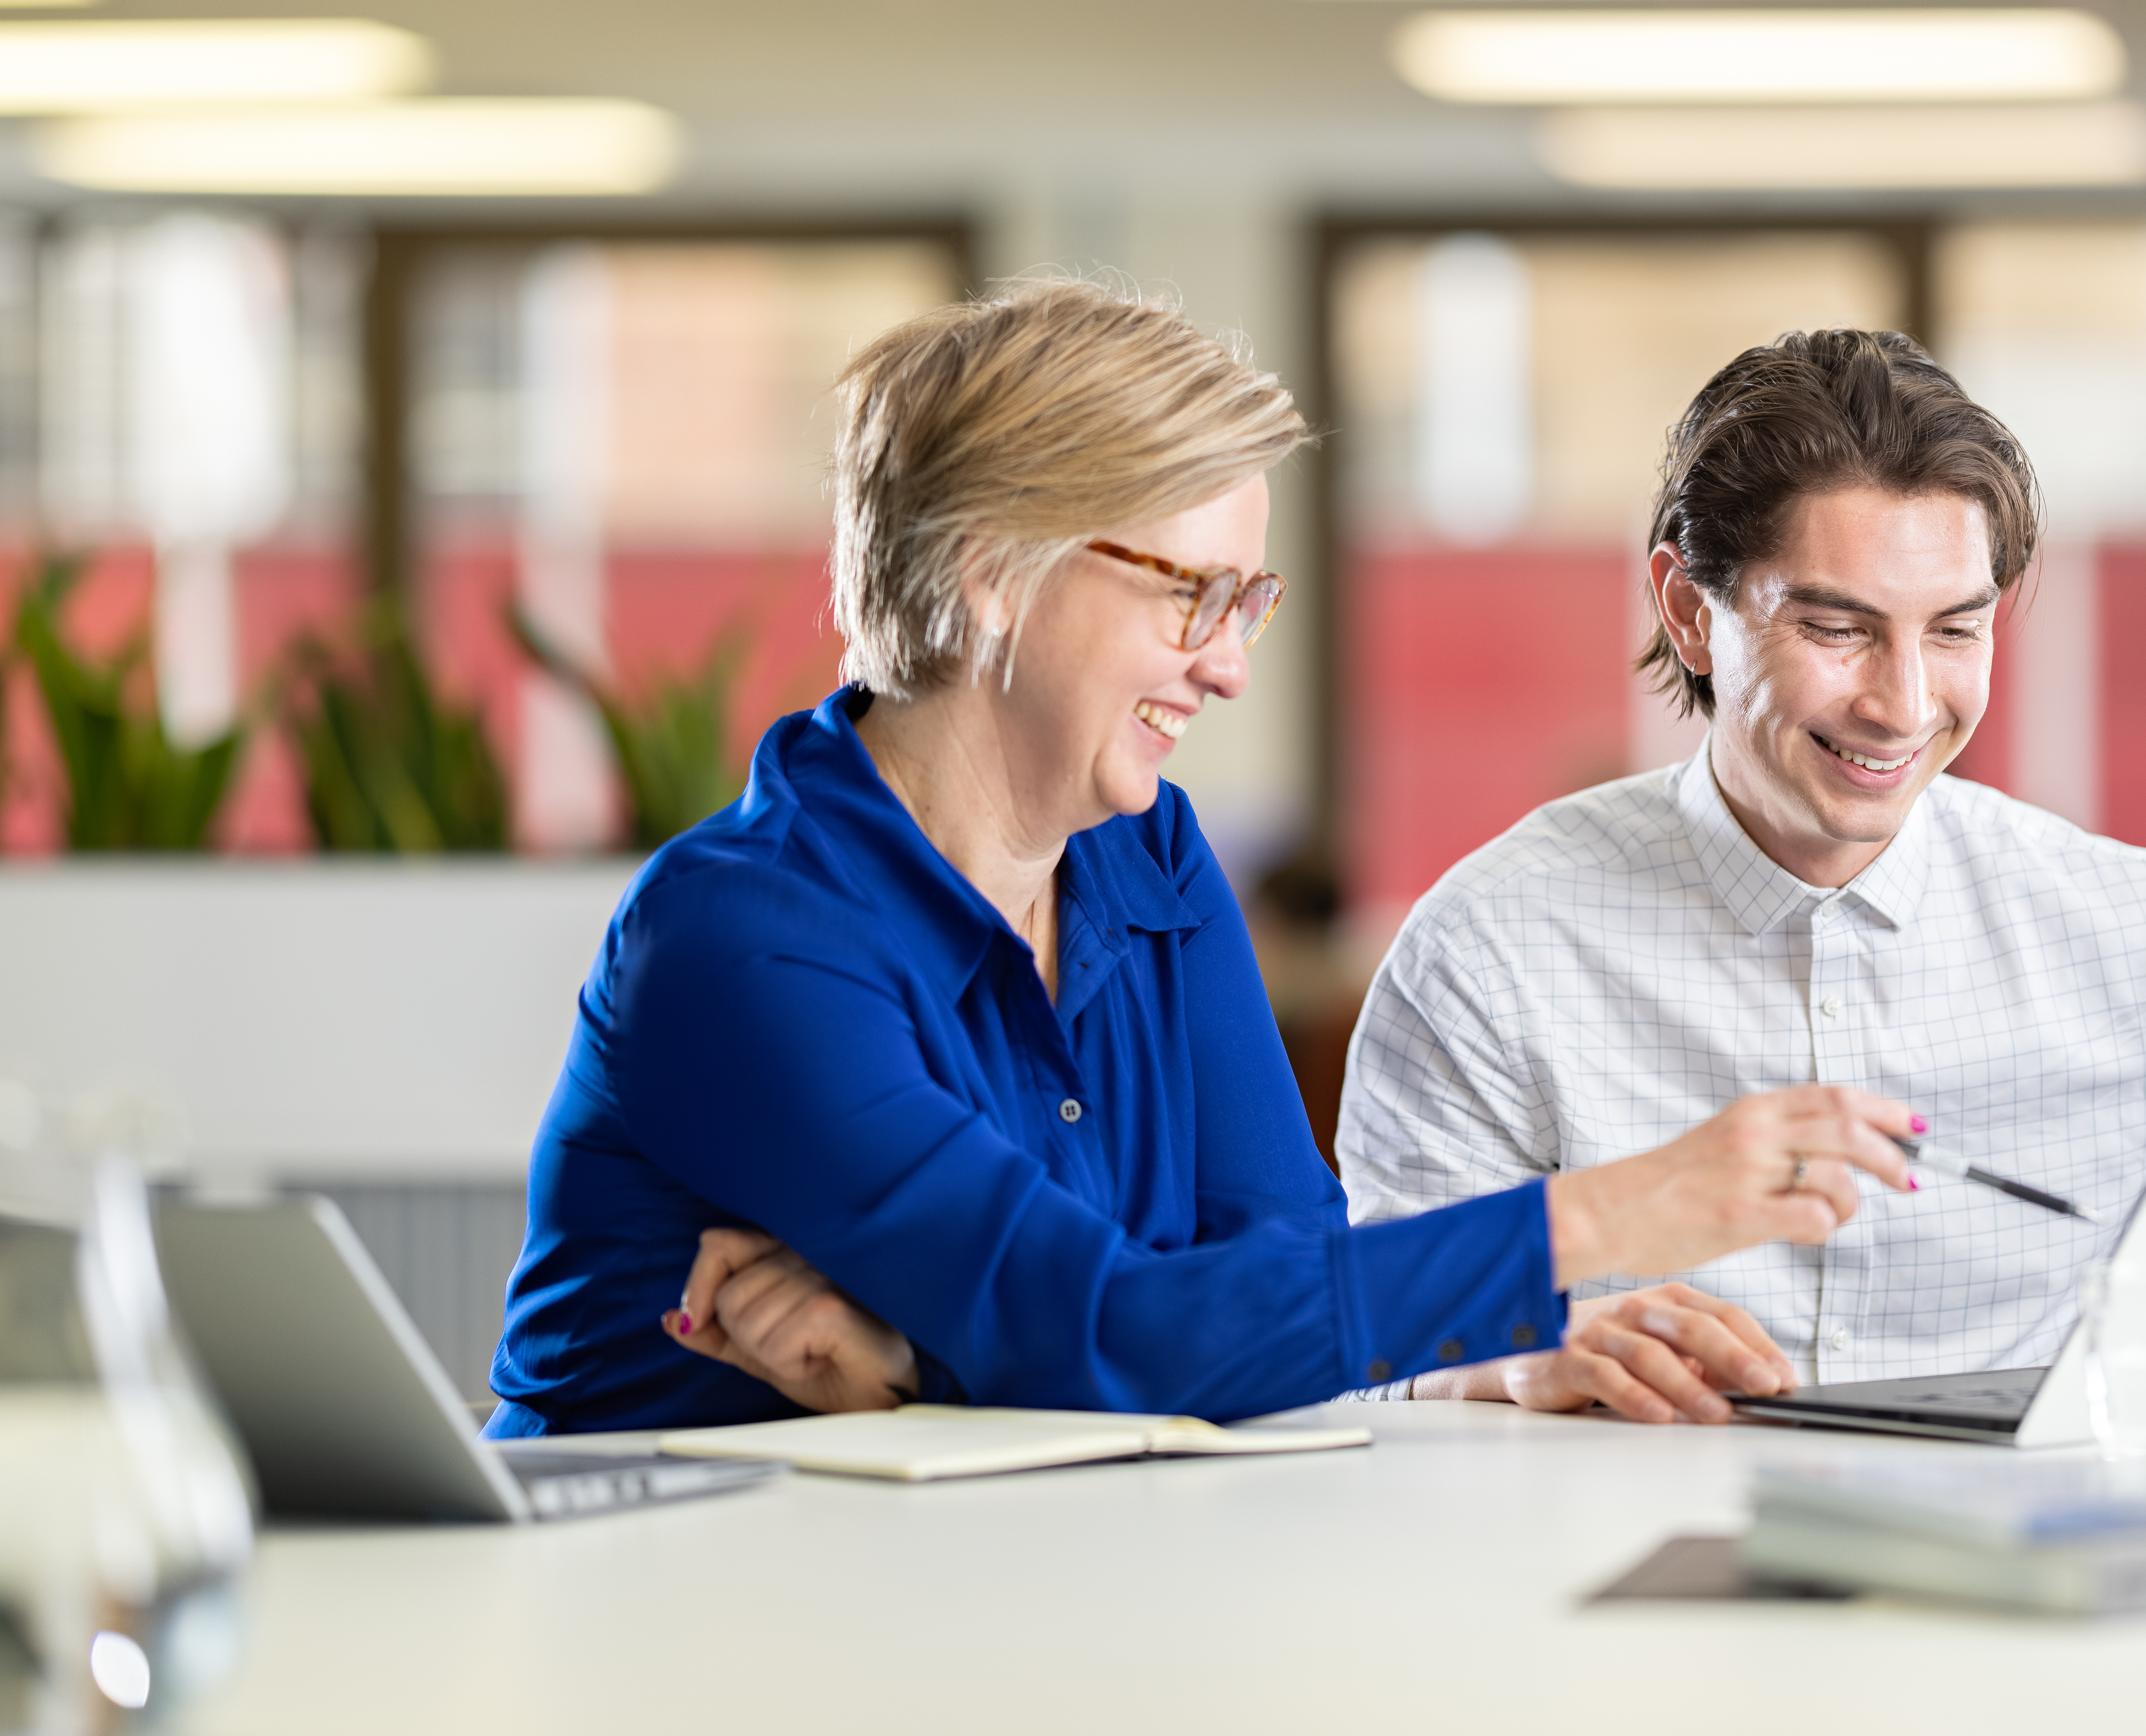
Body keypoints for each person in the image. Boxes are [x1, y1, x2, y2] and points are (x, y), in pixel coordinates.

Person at [485, 281, 1906, 1436]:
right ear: (993, 569)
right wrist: (1606, 1214)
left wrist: (928, 1364)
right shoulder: (746, 940)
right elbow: (1116, 1326)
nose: (1228, 666)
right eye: (1192, 596)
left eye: (1251, 599)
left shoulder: (1143, 853)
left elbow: (1266, 1274)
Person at [1339, 327, 2146, 1421]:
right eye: (1835, 628)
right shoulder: (1496, 944)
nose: (1901, 705)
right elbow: (1354, 1350)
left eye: (1955, 630)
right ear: (1689, 612)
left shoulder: (2134, 933)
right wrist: (1502, 1369)